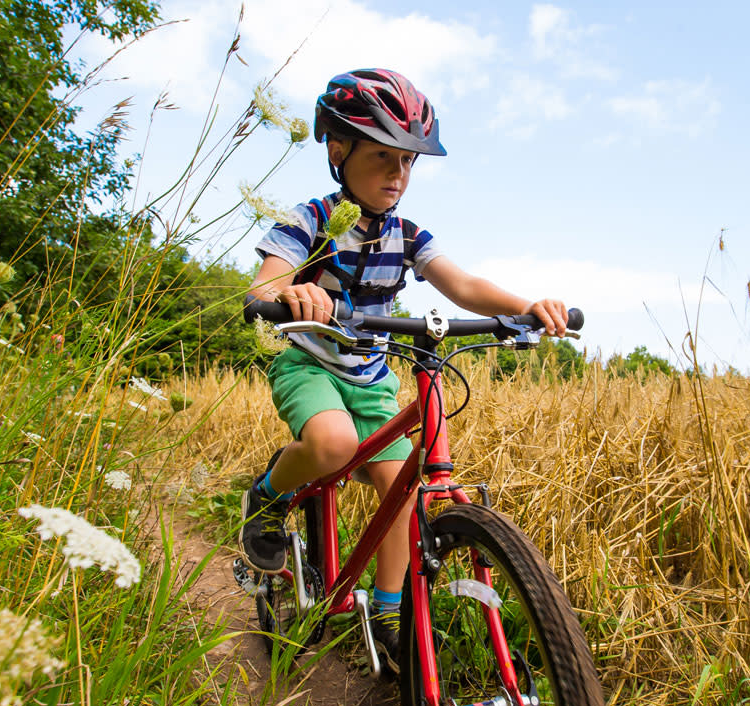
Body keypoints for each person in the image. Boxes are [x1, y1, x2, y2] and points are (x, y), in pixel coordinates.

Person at [239, 68, 569, 674]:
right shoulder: (310, 218)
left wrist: (524, 306)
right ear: (338, 151)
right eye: (384, 157)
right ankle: (266, 497)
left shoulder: (407, 234)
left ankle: (389, 613)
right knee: (333, 444)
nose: (399, 175)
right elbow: (267, 280)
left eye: (409, 162)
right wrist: (293, 296)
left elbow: (462, 283)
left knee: (404, 487)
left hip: (370, 377)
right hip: (311, 363)